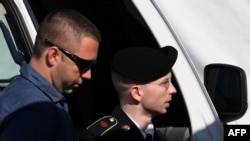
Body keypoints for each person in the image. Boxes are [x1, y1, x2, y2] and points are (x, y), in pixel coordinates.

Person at [0, 9, 101, 141]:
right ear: (53, 55)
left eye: (91, 65)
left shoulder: (22, 93)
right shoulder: (35, 113)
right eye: (83, 64)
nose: (88, 75)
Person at [86, 46, 178, 141]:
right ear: (137, 93)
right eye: (164, 83)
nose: (173, 90)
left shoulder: (158, 138)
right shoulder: (101, 137)